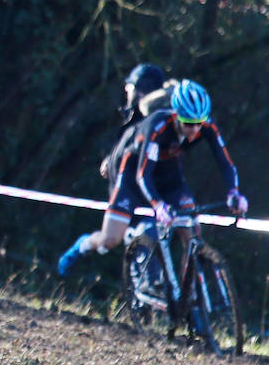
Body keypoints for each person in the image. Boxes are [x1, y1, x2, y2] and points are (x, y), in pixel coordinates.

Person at [59, 79, 247, 278]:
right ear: (176, 116)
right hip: (133, 174)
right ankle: (84, 244)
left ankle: (189, 298)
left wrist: (234, 192)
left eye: (199, 124)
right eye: (189, 124)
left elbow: (225, 162)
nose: (195, 130)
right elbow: (143, 174)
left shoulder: (206, 125)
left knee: (192, 237)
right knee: (110, 240)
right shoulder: (156, 126)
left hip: (168, 175)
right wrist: (158, 205)